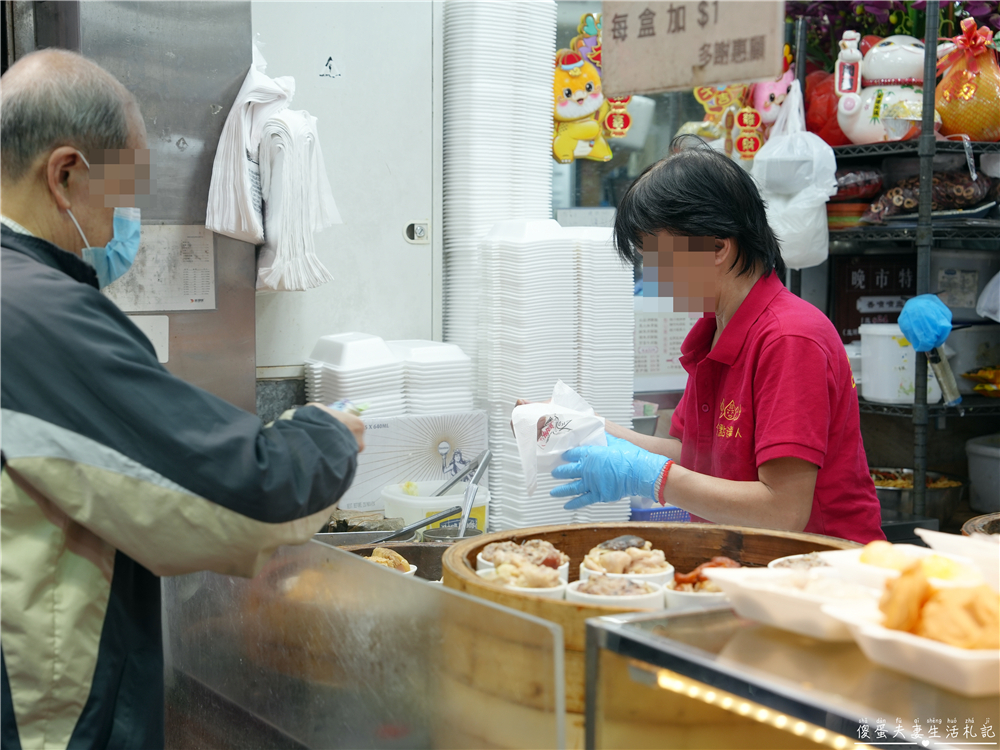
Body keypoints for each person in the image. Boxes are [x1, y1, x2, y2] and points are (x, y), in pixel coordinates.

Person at [1, 49, 364, 749]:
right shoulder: (38, 315)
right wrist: (328, 435)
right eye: (126, 194)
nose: (129, 223)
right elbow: (244, 490)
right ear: (66, 174)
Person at [551, 138, 885, 545]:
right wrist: (593, 430)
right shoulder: (715, 330)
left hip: (825, 578)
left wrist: (651, 478)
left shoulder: (789, 337)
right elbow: (690, 452)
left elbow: (782, 511)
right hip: (745, 567)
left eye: (655, 255)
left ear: (716, 248)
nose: (649, 275)